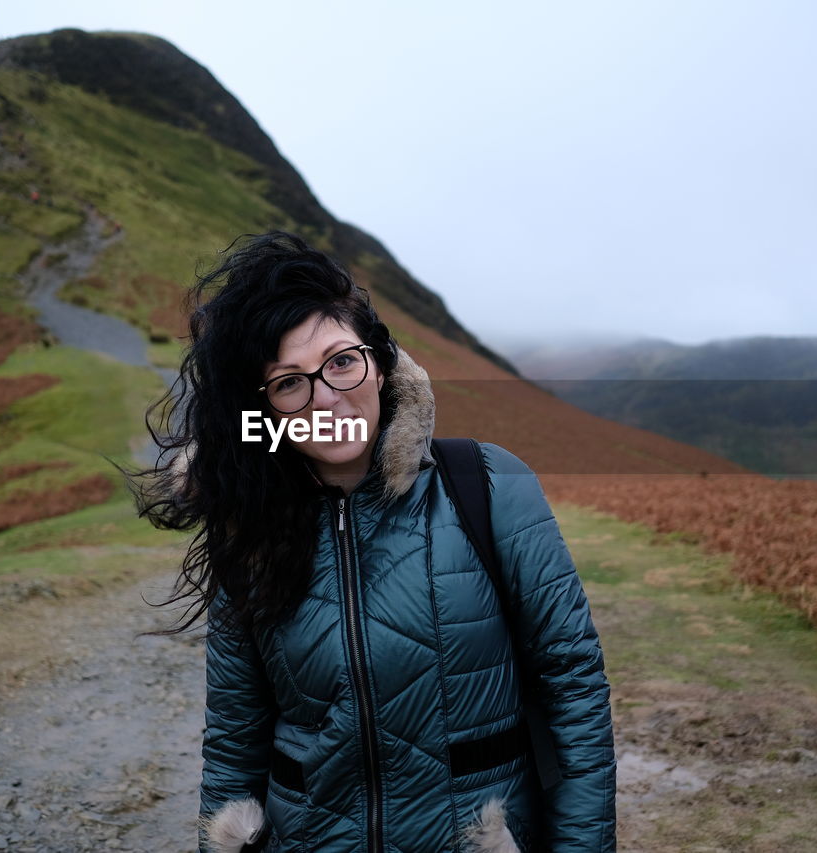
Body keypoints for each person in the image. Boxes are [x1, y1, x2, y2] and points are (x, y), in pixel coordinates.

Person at [127, 232, 616, 852]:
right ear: (267, 411)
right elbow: (233, 743)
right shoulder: (248, 533)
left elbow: (573, 686)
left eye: (341, 361)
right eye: (288, 382)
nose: (326, 399)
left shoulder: (490, 486)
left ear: (380, 364)